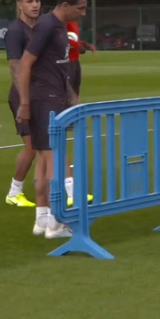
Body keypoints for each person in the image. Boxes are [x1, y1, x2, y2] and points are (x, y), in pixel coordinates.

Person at [16, 0, 89, 239]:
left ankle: (43, 219)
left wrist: (69, 95)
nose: (83, 13)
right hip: (43, 100)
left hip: (52, 97)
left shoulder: (58, 27)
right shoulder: (47, 26)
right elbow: (25, 64)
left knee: (45, 160)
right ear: (65, 5)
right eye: (80, 8)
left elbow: (57, 67)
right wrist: (25, 103)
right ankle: (58, 221)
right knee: (55, 159)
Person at [4, 0, 40, 208]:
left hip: (40, 94)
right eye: (29, 1)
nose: (35, 5)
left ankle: (66, 189)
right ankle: (14, 192)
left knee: (44, 146)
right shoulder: (16, 32)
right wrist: (24, 100)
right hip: (22, 97)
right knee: (33, 147)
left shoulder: (40, 29)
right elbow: (15, 67)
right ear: (19, 5)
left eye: (37, 1)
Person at [65, 20, 95, 207]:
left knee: (75, 90)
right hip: (67, 62)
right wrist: (79, 47)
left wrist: (82, 45)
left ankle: (72, 117)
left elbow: (75, 41)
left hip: (75, 61)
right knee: (69, 92)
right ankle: (68, 119)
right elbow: (67, 42)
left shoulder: (75, 24)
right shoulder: (62, 23)